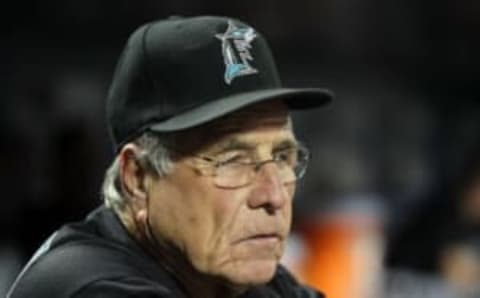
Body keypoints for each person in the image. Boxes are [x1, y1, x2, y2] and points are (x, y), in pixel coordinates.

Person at [7, 15, 333, 298]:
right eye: (233, 160)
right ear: (138, 177)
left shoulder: (234, 280)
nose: (274, 195)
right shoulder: (92, 286)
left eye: (281, 157)